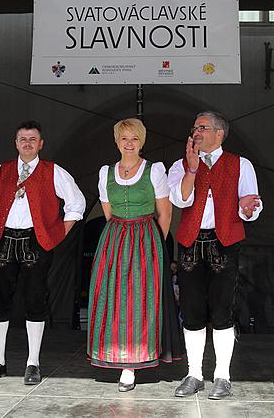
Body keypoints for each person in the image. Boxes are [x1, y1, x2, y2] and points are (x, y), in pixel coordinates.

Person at [0, 120, 85, 385]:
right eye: (22, 139)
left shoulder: (53, 171)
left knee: (35, 299)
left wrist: (56, 234)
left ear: (40, 144)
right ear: (16, 143)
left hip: (35, 241)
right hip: (2, 241)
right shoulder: (2, 171)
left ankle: (33, 363)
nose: (27, 143)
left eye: (32, 139)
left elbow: (77, 203)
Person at [168, 111, 262, 400]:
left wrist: (247, 208)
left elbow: (253, 206)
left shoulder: (240, 164)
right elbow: (179, 199)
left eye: (202, 128)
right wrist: (192, 170)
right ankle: (194, 373)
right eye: (194, 127)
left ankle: (222, 375)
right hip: (191, 243)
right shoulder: (180, 164)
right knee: (192, 309)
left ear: (219, 133)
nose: (196, 132)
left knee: (223, 310)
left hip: (225, 242)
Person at [87, 118, 182, 391]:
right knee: (113, 297)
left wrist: (154, 244)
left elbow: (165, 213)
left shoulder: (154, 171)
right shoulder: (106, 172)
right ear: (116, 142)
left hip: (145, 237)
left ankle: (133, 364)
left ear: (142, 141)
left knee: (140, 300)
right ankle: (114, 354)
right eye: (124, 139)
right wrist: (119, 234)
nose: (129, 144)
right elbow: (108, 212)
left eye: (135, 139)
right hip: (115, 237)